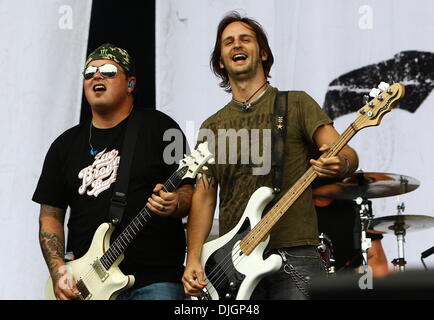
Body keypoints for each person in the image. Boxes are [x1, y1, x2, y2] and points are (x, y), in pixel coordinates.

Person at [182, 12, 359, 300]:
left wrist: (342, 163)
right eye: (228, 42)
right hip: (233, 263)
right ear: (220, 61)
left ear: (263, 53)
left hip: (295, 253)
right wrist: (193, 259)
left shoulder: (296, 103)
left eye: (245, 39)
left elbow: (347, 152)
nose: (237, 45)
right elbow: (204, 196)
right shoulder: (211, 126)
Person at [33, 43, 193, 300]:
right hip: (89, 285)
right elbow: (50, 216)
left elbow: (189, 190)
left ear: (130, 83)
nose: (96, 76)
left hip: (155, 278)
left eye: (108, 70)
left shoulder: (162, 127)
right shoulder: (64, 146)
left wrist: (176, 202)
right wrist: (58, 271)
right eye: (89, 73)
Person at [314, 196, 389, 278]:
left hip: (347, 285)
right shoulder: (298, 211)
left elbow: (378, 264)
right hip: (303, 284)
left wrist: (345, 278)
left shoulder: (355, 210)